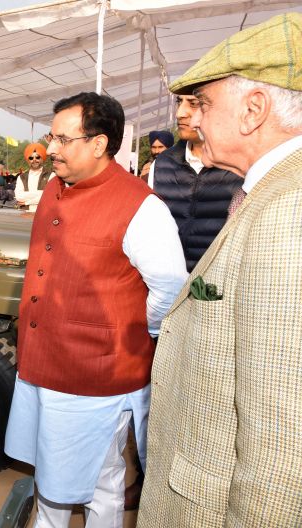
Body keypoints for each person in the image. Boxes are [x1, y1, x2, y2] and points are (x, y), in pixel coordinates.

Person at [138, 13, 302, 527]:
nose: (195, 120)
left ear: (254, 109)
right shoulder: (267, 193)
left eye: (204, 103)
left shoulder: (285, 211)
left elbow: (278, 440)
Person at [4, 92, 187, 527]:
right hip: (43, 363)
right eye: (51, 137)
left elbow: (170, 287)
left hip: (95, 377)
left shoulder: (142, 207)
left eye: (64, 140)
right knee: (57, 476)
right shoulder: (54, 187)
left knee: (93, 481)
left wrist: (128, 335)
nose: (50, 149)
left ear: (99, 144)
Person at [148, 93, 241, 272]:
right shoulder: (162, 164)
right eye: (179, 102)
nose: (180, 113)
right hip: (169, 285)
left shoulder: (240, 166)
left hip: (214, 289)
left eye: (193, 103)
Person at [15, 143, 53, 210]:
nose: (34, 160)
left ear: (42, 158)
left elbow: (50, 196)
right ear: (28, 160)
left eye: (37, 157)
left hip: (44, 214)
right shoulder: (21, 177)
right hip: (24, 215)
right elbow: (19, 196)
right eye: (31, 158)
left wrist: (28, 202)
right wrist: (41, 193)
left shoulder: (51, 175)